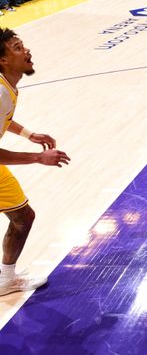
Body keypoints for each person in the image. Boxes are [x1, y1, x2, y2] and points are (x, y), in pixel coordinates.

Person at [0, 28, 71, 296]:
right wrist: (39, 157)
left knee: (22, 217)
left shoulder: (6, 85)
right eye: (17, 47)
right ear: (4, 60)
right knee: (22, 218)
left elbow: (3, 117)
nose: (26, 50)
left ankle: (6, 278)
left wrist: (29, 134)